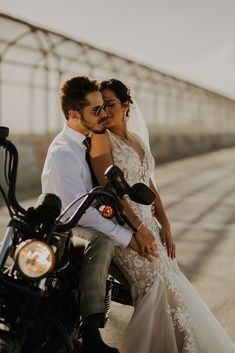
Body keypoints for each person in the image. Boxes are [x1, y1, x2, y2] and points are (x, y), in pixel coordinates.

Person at [89, 78, 235, 353]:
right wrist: (138, 230)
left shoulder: (137, 139)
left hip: (150, 226)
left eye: (110, 105)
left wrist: (164, 223)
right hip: (125, 229)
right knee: (153, 288)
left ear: (126, 105)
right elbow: (112, 191)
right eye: (99, 107)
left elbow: (149, 184)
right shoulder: (100, 138)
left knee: (173, 286)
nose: (104, 112)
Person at [41, 76, 157, 353]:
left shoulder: (89, 140)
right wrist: (127, 236)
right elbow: (79, 213)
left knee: (149, 269)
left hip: (92, 219)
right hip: (67, 226)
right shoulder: (63, 153)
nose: (102, 113)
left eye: (104, 107)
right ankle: (91, 331)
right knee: (102, 241)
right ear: (73, 114)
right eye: (95, 110)